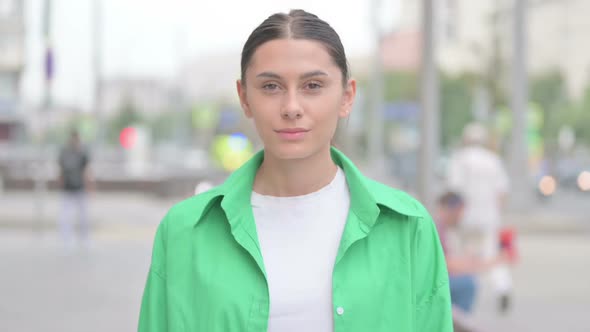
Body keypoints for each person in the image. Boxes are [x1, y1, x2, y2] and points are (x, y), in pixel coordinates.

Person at [139, 9, 452, 332]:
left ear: (347, 97)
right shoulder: (184, 231)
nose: (291, 107)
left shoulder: (407, 226)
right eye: (271, 87)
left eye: (313, 85)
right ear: (244, 98)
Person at [446, 123, 513, 313]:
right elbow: (502, 192)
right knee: (491, 254)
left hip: (465, 218)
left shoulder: (460, 159)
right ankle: (502, 288)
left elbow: (454, 191)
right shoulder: (493, 160)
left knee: (462, 255)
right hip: (489, 217)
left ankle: (466, 292)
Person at [435, 192, 509, 314]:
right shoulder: (437, 229)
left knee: (467, 281)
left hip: (437, 277)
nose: (461, 216)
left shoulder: (444, 229)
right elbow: (447, 265)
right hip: (431, 281)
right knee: (467, 283)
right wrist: (486, 264)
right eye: (460, 211)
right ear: (451, 209)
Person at [57, 130, 93, 249]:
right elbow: (61, 170)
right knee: (66, 215)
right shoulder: (65, 153)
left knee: (83, 215)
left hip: (79, 188)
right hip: (68, 188)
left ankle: (84, 238)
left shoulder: (82, 153)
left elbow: (86, 171)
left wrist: (88, 185)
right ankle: (66, 238)